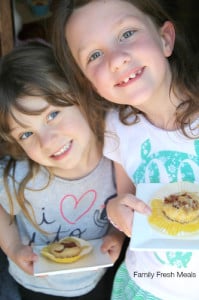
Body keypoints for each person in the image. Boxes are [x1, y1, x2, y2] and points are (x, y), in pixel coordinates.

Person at [51, 0, 199, 299]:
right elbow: (126, 195)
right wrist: (116, 210)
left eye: (127, 33)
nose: (116, 59)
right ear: (91, 84)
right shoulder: (117, 126)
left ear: (165, 38)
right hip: (144, 286)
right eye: (94, 55)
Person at [0, 41, 125, 300]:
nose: (47, 142)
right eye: (26, 133)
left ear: (81, 94)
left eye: (52, 115)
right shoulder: (21, 175)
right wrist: (13, 247)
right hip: (37, 285)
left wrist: (117, 233)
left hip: (98, 277)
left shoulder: (116, 154)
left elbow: (129, 199)